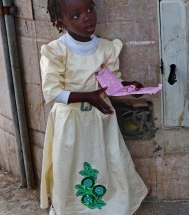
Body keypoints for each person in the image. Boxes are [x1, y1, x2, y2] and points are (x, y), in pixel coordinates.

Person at [40, 0, 148, 214]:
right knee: (70, 163)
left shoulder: (106, 48)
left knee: (106, 157)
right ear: (60, 20)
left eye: (89, 9)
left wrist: (129, 87)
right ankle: (72, 206)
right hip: (70, 121)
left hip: (100, 119)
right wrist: (87, 97)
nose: (86, 17)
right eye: (76, 15)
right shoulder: (56, 51)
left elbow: (111, 84)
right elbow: (52, 92)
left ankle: (108, 201)